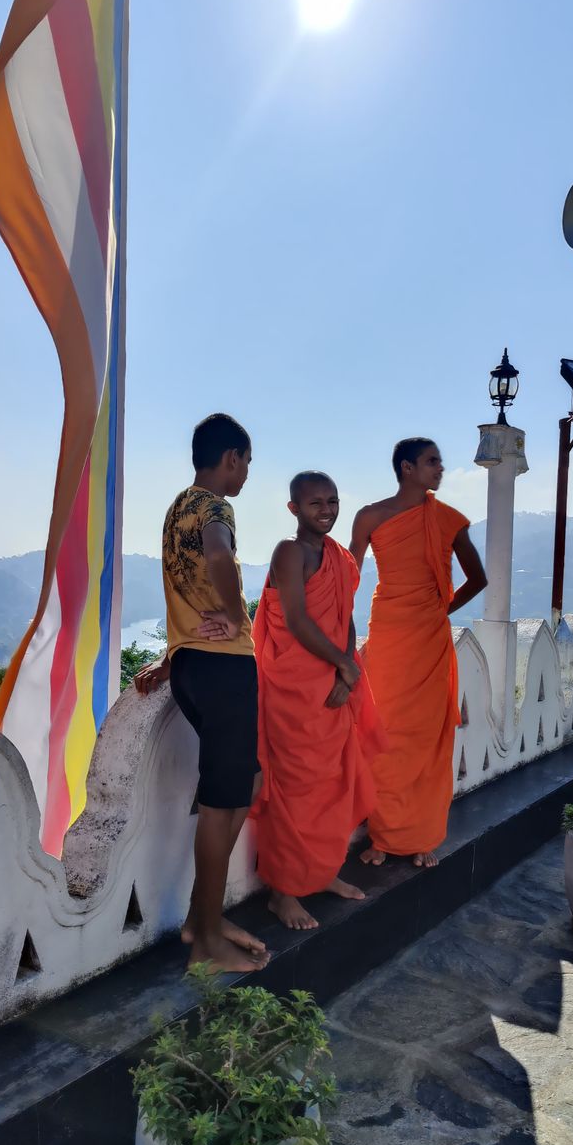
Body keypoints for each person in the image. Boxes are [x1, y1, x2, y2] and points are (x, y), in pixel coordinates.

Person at [134, 413, 269, 974]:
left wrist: (172, 658)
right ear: (231, 457)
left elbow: (186, 584)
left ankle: (201, 916)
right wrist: (240, 615)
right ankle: (207, 942)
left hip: (192, 664)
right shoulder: (215, 507)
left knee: (243, 785)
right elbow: (217, 556)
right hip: (221, 667)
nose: (245, 476)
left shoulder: (176, 508)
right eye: (246, 464)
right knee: (221, 803)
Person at [250, 472, 386, 931]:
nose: (326, 510)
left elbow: (345, 617)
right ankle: (283, 892)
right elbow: (297, 620)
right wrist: (342, 665)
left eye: (332, 501)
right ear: (294, 509)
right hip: (293, 687)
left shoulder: (338, 556)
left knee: (331, 784)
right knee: (294, 786)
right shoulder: (289, 552)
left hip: (331, 679)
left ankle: (321, 873)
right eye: (314, 504)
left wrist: (347, 666)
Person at [350, 438, 487, 868]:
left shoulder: (447, 520)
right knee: (384, 734)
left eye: (440, 462)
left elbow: (477, 579)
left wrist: (438, 609)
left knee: (427, 740)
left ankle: (423, 836)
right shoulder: (370, 517)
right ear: (407, 468)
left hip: (429, 640)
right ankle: (384, 835)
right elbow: (347, 575)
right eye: (432, 462)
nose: (440, 469)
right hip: (388, 634)